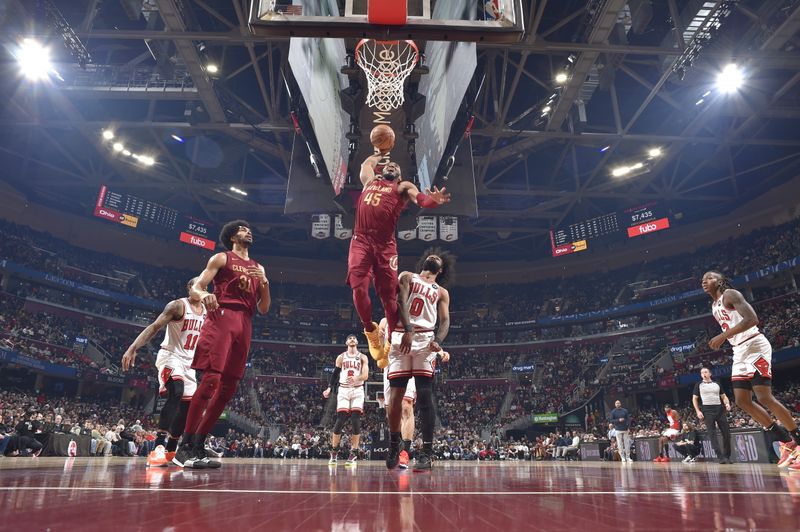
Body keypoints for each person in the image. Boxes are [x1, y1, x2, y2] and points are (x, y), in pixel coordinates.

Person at [173, 220, 271, 469]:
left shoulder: (259, 267)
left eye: (249, 228)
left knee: (228, 388)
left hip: (245, 323)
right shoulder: (222, 258)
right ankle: (183, 448)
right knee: (211, 380)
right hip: (223, 316)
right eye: (242, 229)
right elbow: (197, 286)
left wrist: (266, 283)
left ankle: (198, 443)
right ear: (232, 237)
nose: (248, 230)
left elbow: (264, 308)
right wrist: (205, 294)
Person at [348, 148, 451, 369]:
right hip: (361, 241)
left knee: (389, 297)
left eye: (396, 166)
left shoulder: (402, 187)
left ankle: (392, 340)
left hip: (386, 247)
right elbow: (366, 163)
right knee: (358, 289)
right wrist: (378, 152)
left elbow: (421, 199)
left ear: (400, 176)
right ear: (381, 170)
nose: (391, 166)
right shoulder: (369, 180)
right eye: (388, 165)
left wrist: (433, 201)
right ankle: (370, 330)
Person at [701, 271, 800, 465]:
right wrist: (727, 337)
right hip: (739, 351)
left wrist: (723, 336)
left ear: (720, 281)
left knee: (764, 396)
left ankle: (798, 441)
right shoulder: (714, 305)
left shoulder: (730, 294)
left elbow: (752, 319)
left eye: (709, 278)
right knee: (742, 401)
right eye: (702, 280)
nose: (704, 282)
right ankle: (786, 441)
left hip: (755, 345)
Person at [122, 278, 206, 467]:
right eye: (196, 286)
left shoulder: (208, 312)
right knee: (176, 390)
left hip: (189, 363)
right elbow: (154, 327)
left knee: (188, 406)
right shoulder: (177, 306)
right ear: (189, 287)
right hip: (170, 356)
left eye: (204, 286)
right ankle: (158, 447)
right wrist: (133, 348)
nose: (200, 289)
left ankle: (171, 450)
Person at [385, 248, 454, 470]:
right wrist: (407, 329)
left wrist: (439, 341)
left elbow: (444, 322)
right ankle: (395, 444)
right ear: (423, 262)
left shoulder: (442, 292)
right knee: (395, 399)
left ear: (440, 270)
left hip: (425, 341)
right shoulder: (407, 276)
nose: (435, 256)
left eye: (438, 258)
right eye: (431, 255)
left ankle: (426, 453)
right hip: (402, 336)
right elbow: (400, 301)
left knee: (424, 397)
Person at [378, 317, 451, 469]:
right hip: (393, 362)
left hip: (415, 358)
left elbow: (425, 337)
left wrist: (441, 351)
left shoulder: (417, 316)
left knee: (406, 405)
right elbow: (380, 349)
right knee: (391, 411)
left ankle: (405, 451)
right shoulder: (385, 321)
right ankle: (396, 446)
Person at [322, 334, 369, 466]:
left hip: (358, 389)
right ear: (346, 342)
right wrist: (329, 388)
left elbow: (365, 375)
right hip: (343, 389)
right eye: (350, 338)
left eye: (354, 338)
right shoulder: (341, 357)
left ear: (357, 342)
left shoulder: (363, 357)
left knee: (355, 420)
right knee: (340, 419)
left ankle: (354, 452)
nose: (352, 339)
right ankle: (334, 451)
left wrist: (357, 378)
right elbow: (335, 374)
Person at [692, 367, 733, 464]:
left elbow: (724, 396)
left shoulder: (717, 384)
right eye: (702, 372)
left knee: (726, 433)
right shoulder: (699, 385)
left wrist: (727, 403)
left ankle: (727, 456)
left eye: (705, 372)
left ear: (710, 373)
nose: (703, 374)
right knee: (712, 434)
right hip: (707, 409)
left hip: (719, 409)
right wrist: (698, 411)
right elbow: (694, 399)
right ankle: (720, 457)